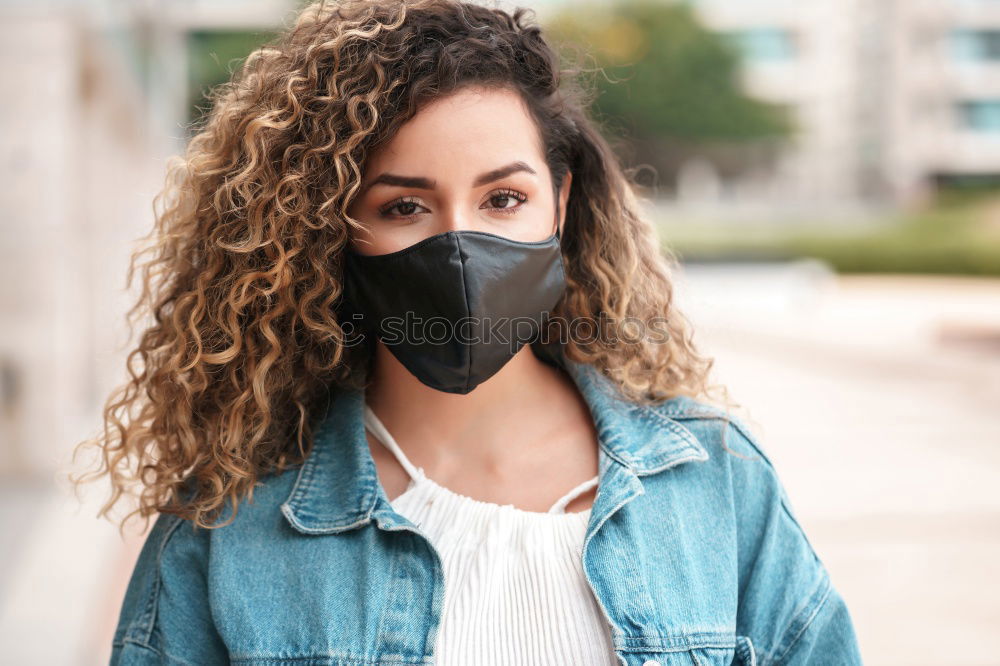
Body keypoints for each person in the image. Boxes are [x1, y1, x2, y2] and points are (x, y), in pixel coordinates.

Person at [73, 1, 864, 664]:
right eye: (404, 207)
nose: (459, 248)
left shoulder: (714, 483)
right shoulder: (229, 522)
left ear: (559, 201)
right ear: (332, 231)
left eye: (502, 200)